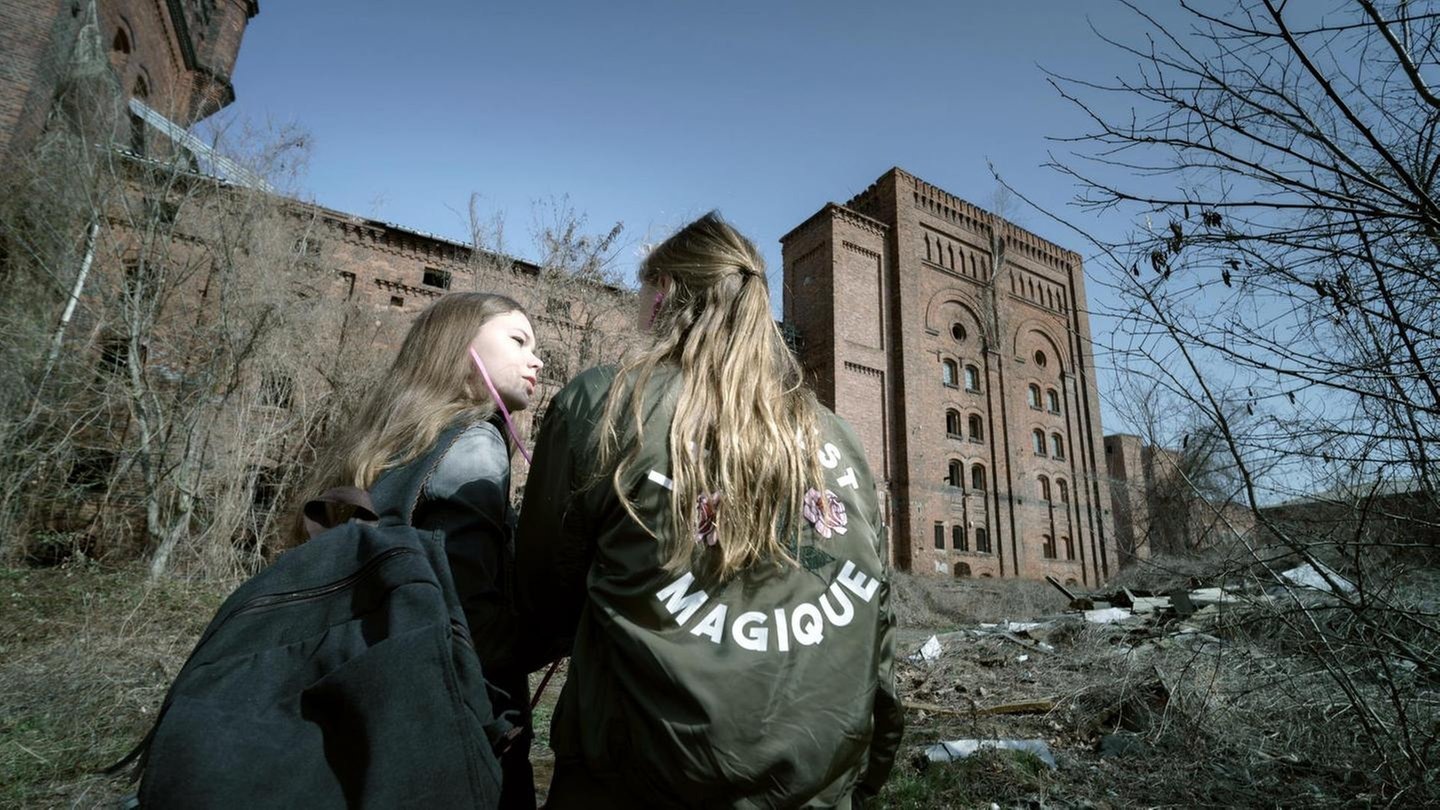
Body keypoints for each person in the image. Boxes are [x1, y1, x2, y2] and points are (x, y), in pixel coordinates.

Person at [515, 212, 903, 808]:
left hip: (636, 784)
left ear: (665, 293)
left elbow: (543, 592)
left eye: (642, 292)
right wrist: (866, 777)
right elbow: (875, 623)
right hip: (815, 789)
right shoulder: (839, 435)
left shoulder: (607, 401)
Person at [293, 291, 545, 809]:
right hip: (447, 730)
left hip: (358, 702)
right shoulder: (476, 443)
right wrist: (570, 625)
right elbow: (473, 627)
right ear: (459, 347)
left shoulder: (391, 443)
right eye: (518, 340)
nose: (536, 359)